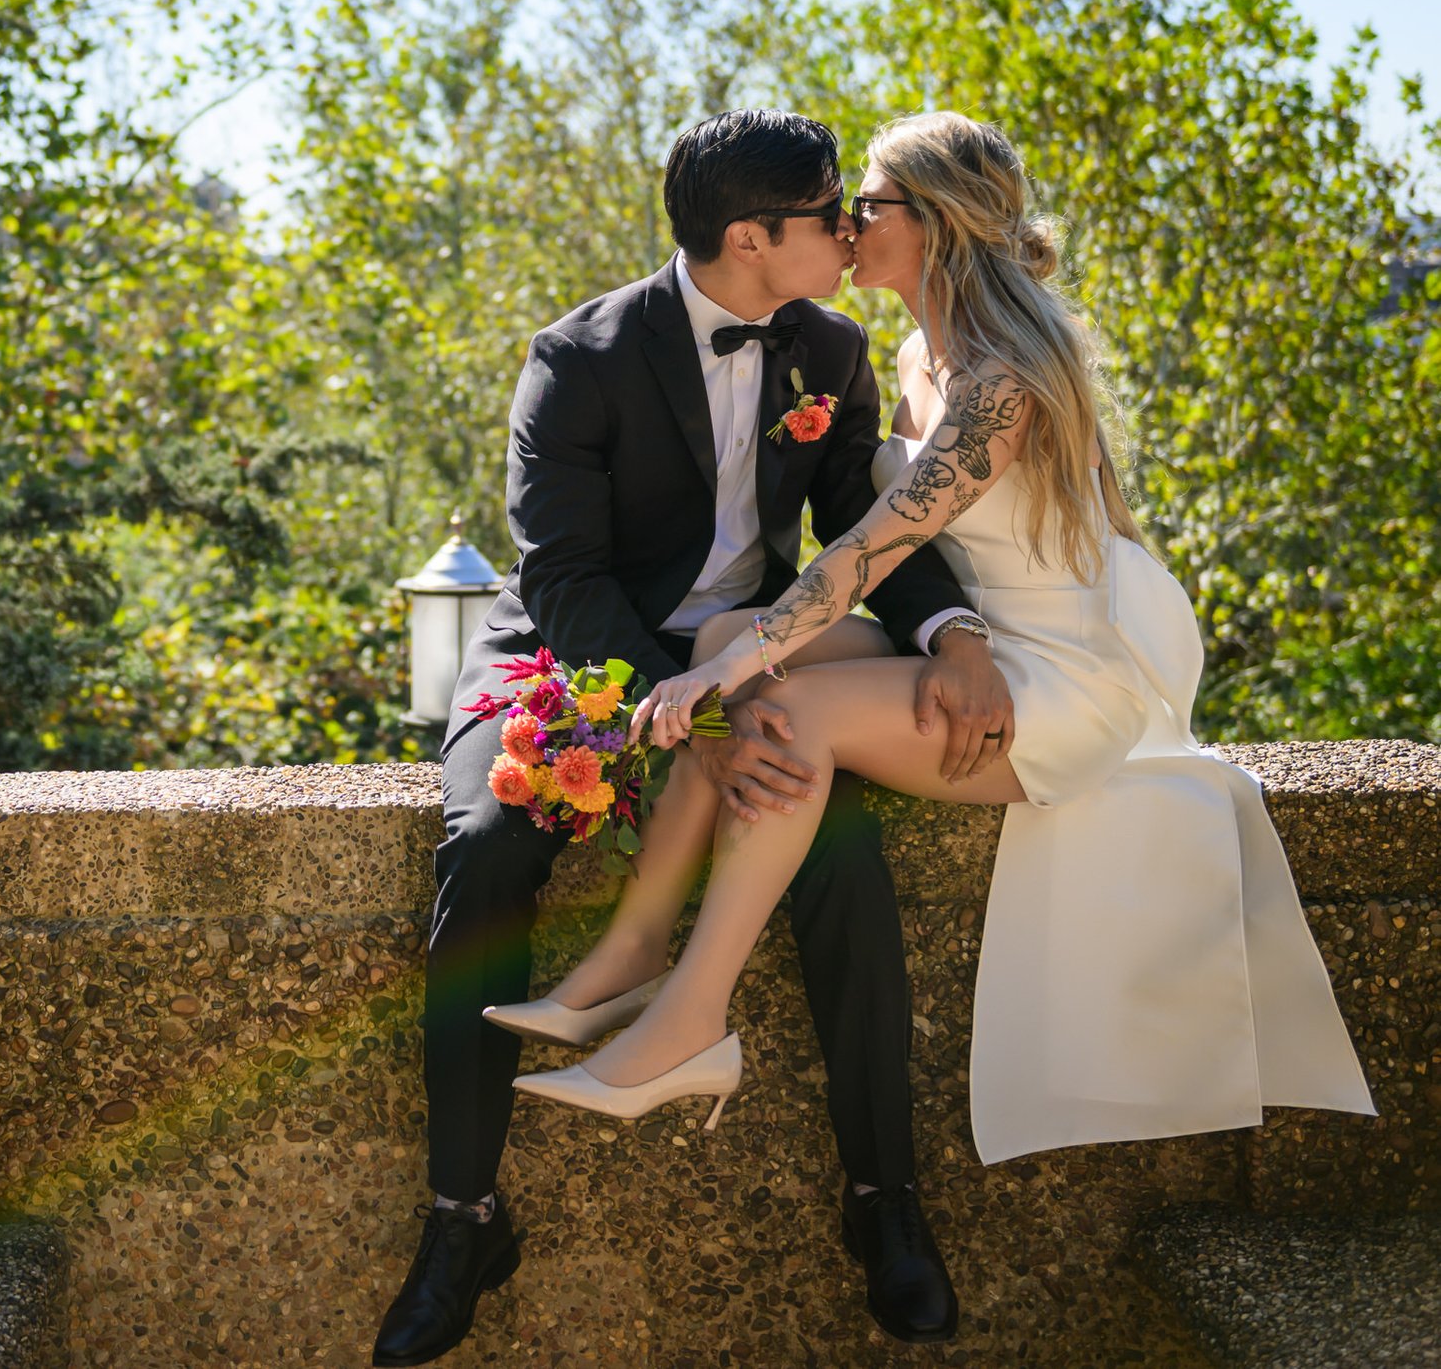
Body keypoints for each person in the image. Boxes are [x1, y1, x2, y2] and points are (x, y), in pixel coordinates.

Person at [511, 110, 1375, 1238]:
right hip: (985, 639)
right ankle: (628, 948)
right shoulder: (910, 353)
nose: (846, 224)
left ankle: (690, 1023)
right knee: (727, 650)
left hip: (1056, 679)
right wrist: (739, 667)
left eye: (864, 205)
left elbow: (863, 556)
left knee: (783, 703)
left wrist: (696, 695)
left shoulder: (1004, 379)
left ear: (933, 223)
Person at [372, 110, 1005, 1367]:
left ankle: (886, 1200)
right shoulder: (577, 356)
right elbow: (561, 575)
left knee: (837, 849)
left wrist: (948, 634)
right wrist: (686, 705)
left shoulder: (827, 346)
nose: (848, 228)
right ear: (748, 237)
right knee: (486, 843)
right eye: (829, 212)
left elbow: (864, 535)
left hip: (753, 649)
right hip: (575, 647)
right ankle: (462, 1216)